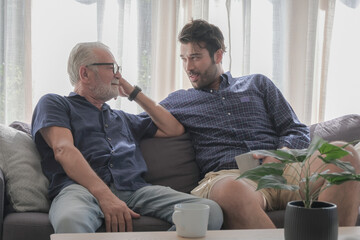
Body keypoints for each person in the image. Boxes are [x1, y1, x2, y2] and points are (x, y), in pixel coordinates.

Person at [158, 19, 360, 229]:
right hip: (232, 177)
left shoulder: (257, 83)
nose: (188, 67)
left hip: (284, 169)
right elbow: (135, 123)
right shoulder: (178, 101)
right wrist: (129, 90)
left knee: (344, 154)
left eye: (195, 57)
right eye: (184, 59)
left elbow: (295, 128)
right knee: (230, 191)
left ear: (218, 55)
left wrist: (281, 153)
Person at [31, 42, 223, 233]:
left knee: (210, 212)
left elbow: (173, 128)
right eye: (112, 68)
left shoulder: (122, 118)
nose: (118, 75)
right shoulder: (55, 104)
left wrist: (133, 92)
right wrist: (105, 196)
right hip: (79, 189)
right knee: (70, 221)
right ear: (85, 74)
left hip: (135, 190)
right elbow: (63, 150)